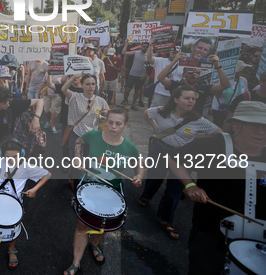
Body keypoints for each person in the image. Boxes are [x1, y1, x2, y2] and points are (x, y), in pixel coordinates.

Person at [167, 101, 266, 274]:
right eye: (254, 125)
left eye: (265, 126)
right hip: (212, 234)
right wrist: (190, 185)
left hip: (260, 239)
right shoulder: (213, 145)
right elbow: (173, 158)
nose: (261, 132)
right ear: (236, 125)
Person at [64, 107, 143, 275]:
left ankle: (95, 245)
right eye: (110, 122)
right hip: (88, 186)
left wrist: (138, 176)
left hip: (111, 191)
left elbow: (139, 163)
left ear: (126, 125)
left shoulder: (130, 147)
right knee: (82, 225)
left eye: (118, 124)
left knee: (102, 224)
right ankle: (76, 263)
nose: (113, 126)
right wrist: (77, 157)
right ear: (106, 121)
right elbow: (79, 141)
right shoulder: (93, 135)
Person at [138, 86, 221, 240]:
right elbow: (146, 113)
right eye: (187, 98)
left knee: (175, 188)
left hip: (182, 157)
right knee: (154, 176)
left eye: (193, 99)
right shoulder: (162, 111)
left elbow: (219, 133)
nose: (191, 101)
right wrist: (156, 129)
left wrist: (195, 138)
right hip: (160, 149)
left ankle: (165, 219)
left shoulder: (198, 120)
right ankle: (146, 195)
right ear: (176, 99)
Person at [0, 138, 51, 270]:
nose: (11, 159)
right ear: (2, 154)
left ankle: (11, 247)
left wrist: (34, 189)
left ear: (21, 153)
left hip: (15, 203)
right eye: (8, 157)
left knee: (13, 226)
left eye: (15, 156)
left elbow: (47, 174)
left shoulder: (26, 167)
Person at [61, 73, 109, 185]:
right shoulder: (75, 96)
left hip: (92, 136)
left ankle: (79, 178)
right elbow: (64, 89)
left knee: (88, 162)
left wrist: (106, 117)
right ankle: (76, 184)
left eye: (93, 84)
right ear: (82, 85)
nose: (91, 86)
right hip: (76, 134)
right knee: (77, 162)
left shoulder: (101, 101)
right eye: (88, 84)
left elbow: (107, 115)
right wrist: (73, 77)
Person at [156, 51, 230, 115]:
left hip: (195, 123)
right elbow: (160, 78)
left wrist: (217, 65)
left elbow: (225, 85)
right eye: (190, 72)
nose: (194, 74)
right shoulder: (176, 86)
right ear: (184, 75)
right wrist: (174, 61)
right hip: (176, 122)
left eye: (197, 72)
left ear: (199, 75)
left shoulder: (203, 88)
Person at [211, 60, 251, 127]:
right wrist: (223, 86)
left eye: (244, 69)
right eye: (242, 69)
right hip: (220, 109)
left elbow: (245, 95)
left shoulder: (243, 80)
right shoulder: (221, 79)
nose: (244, 71)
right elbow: (217, 96)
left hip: (236, 110)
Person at [146, 40, 182, 107]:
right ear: (169, 52)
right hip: (159, 93)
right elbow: (149, 58)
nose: (175, 55)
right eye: (173, 53)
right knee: (155, 114)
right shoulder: (160, 60)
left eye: (177, 53)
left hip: (174, 95)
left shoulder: (183, 66)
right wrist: (150, 46)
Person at [121, 40, 149, 111]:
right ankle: (124, 101)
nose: (145, 48)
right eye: (144, 46)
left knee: (137, 91)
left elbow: (151, 67)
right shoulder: (136, 52)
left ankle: (133, 105)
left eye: (146, 47)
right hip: (132, 74)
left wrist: (145, 75)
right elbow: (124, 52)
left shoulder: (149, 55)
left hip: (141, 76)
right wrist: (126, 45)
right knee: (127, 89)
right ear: (141, 46)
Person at [40, 68, 61, 134]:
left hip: (57, 95)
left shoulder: (62, 72)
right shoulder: (48, 71)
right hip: (47, 94)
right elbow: (44, 81)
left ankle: (53, 126)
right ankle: (49, 121)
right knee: (46, 110)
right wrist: (39, 91)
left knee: (54, 111)